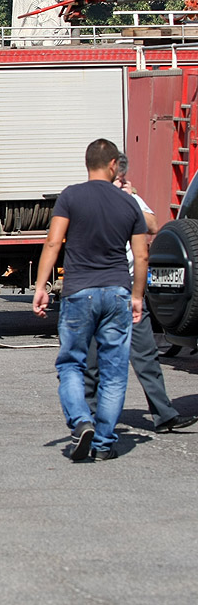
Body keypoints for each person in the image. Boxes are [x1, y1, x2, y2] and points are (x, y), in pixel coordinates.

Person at [33, 139, 149, 462]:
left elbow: (53, 242)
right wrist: (137, 296)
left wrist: (41, 286)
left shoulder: (71, 196)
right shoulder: (130, 204)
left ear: (88, 164)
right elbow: (141, 256)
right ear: (113, 164)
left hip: (78, 292)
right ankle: (103, 443)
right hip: (117, 292)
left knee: (71, 363)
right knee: (113, 371)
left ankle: (81, 421)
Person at [83, 154, 198, 434]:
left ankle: (164, 414)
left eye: (125, 179)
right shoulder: (88, 198)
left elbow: (154, 225)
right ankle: (89, 414)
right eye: (119, 177)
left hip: (130, 289)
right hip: (99, 288)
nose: (122, 181)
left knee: (146, 353)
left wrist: (130, 197)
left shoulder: (130, 199)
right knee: (94, 356)